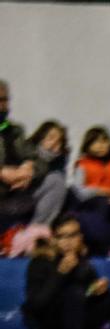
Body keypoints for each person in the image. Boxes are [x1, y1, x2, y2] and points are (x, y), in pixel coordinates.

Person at [1, 81, 67, 231]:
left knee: (55, 181)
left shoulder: (15, 131)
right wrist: (3, 173)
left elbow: (36, 159)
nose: (2, 105)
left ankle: (34, 235)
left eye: (4, 100)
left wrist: (29, 169)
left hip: (14, 196)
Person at [66, 125, 110, 253]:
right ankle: (101, 242)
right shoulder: (83, 164)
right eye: (95, 142)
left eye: (104, 141)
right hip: (90, 201)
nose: (100, 146)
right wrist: (100, 191)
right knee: (101, 202)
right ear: (88, 145)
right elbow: (79, 190)